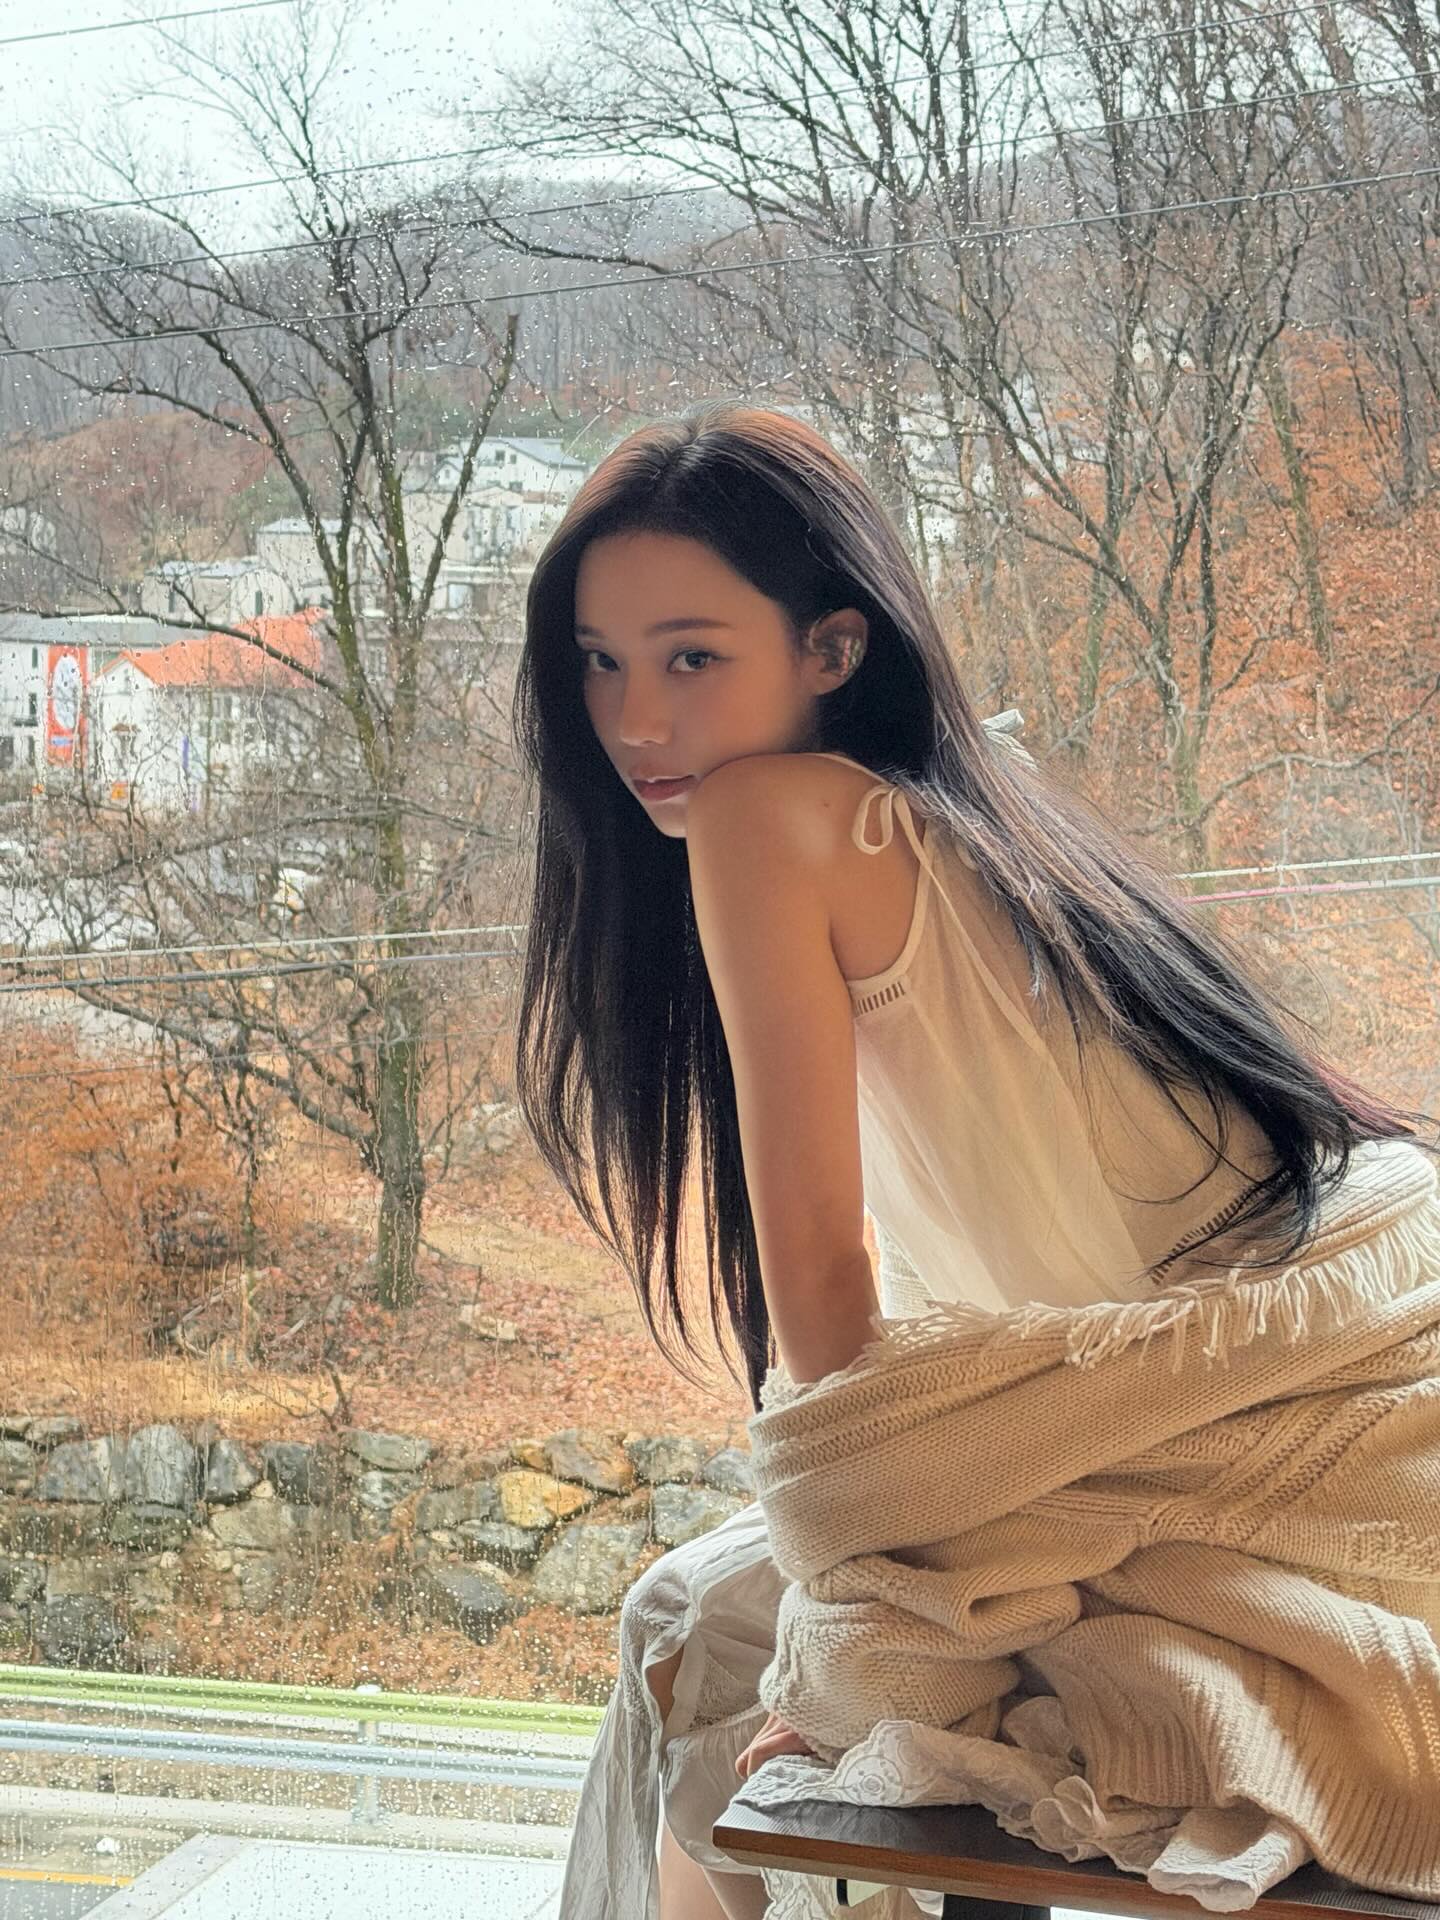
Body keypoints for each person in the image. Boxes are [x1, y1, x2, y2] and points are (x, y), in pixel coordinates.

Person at [508, 405, 1432, 1920]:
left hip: (1228, 1406)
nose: (635, 722)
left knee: (697, 1636)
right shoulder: (972, 802)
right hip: (1314, 1344)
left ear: (832, 648)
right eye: (600, 663)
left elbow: (823, 1276)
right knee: (695, 1619)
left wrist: (859, 1597)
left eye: (692, 658)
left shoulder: (764, 817)